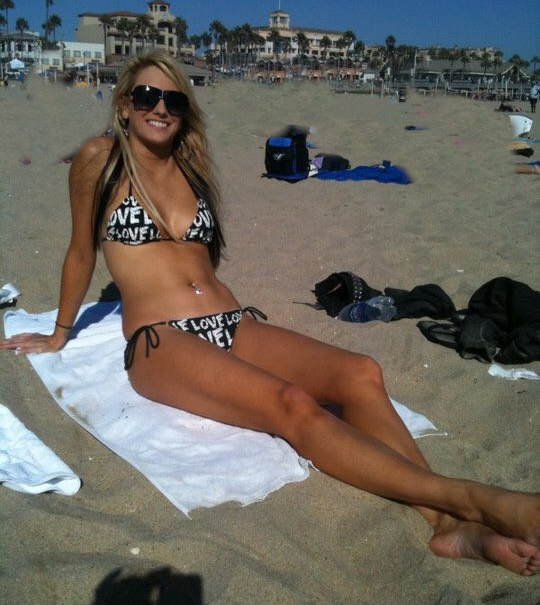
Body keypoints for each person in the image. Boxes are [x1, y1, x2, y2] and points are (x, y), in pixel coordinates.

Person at [1, 50, 538, 576]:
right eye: (146, 96)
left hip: (230, 322)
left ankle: (444, 523)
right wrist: (59, 333)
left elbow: (196, 262)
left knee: (360, 373)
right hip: (159, 339)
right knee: (293, 404)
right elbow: (81, 252)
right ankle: (475, 500)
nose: (160, 107)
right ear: (124, 105)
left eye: (174, 99)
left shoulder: (190, 165)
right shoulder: (100, 159)